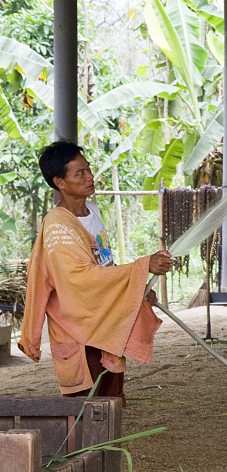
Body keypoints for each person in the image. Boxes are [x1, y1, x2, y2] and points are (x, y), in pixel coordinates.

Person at [18, 141, 173, 405]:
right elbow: (80, 280)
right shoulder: (57, 225)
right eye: (79, 173)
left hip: (107, 327)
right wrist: (141, 266)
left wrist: (136, 292)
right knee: (87, 410)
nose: (90, 176)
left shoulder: (93, 214)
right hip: (79, 335)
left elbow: (105, 266)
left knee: (111, 406)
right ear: (60, 182)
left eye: (88, 169)